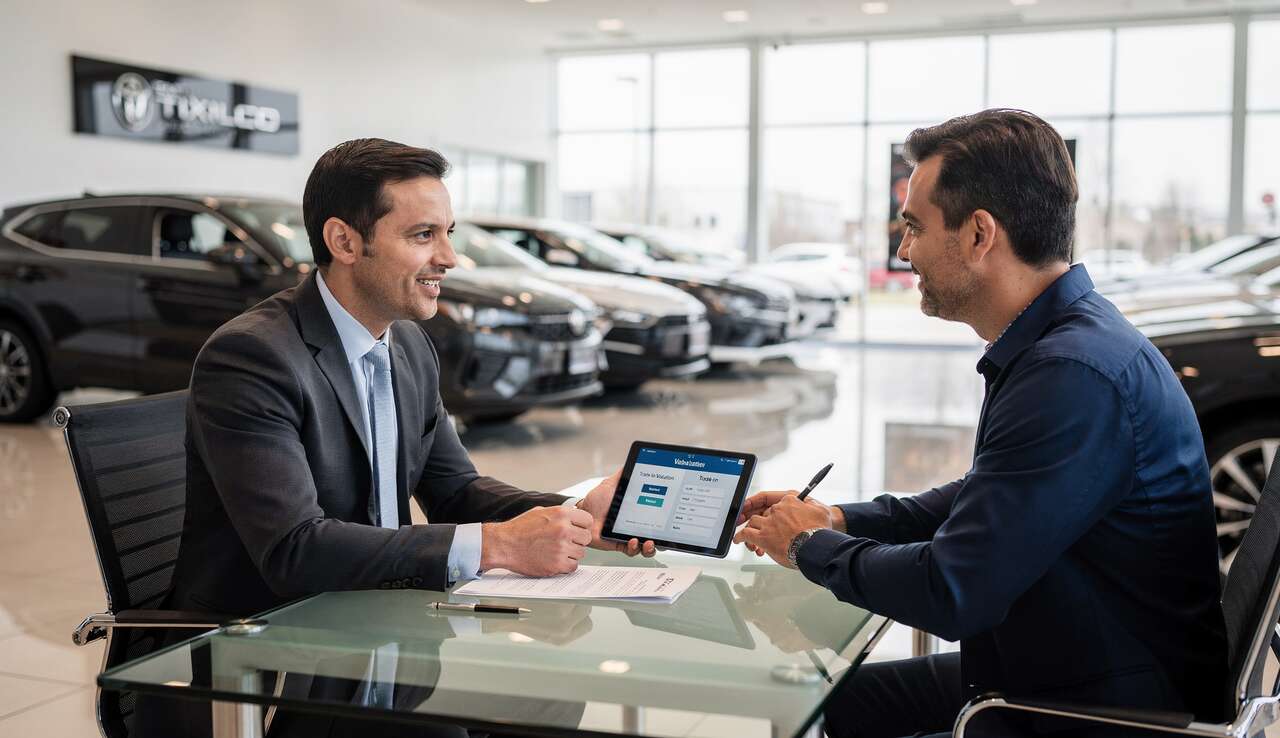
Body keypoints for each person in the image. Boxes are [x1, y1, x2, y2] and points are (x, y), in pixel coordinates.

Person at [734, 109, 1227, 738]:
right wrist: (840, 519)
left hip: (1106, 710)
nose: (902, 249)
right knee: (839, 699)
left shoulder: (1071, 375)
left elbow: (952, 592)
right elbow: (993, 495)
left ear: (978, 235)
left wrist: (809, 547)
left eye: (913, 227)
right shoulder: (1068, 340)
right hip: (1073, 661)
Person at [143, 138, 654, 737]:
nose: (451, 258)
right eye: (423, 236)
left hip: (380, 630)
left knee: (552, 695)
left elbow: (455, 489)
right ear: (344, 242)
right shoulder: (253, 357)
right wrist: (499, 546)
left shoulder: (407, 343)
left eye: (448, 233)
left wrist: (573, 513)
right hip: (274, 663)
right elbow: (294, 550)